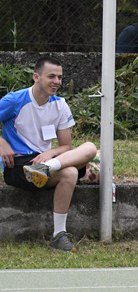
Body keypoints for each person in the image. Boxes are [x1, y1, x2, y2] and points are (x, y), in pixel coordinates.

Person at [0, 56, 98, 251]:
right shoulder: (14, 100)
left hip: (49, 162)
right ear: (36, 77)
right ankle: (59, 235)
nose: (57, 82)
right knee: (70, 172)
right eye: (51, 76)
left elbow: (65, 147)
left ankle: (45, 170)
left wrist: (50, 154)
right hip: (19, 165)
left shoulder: (60, 104)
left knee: (90, 147)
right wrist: (1, 142)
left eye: (60, 77)